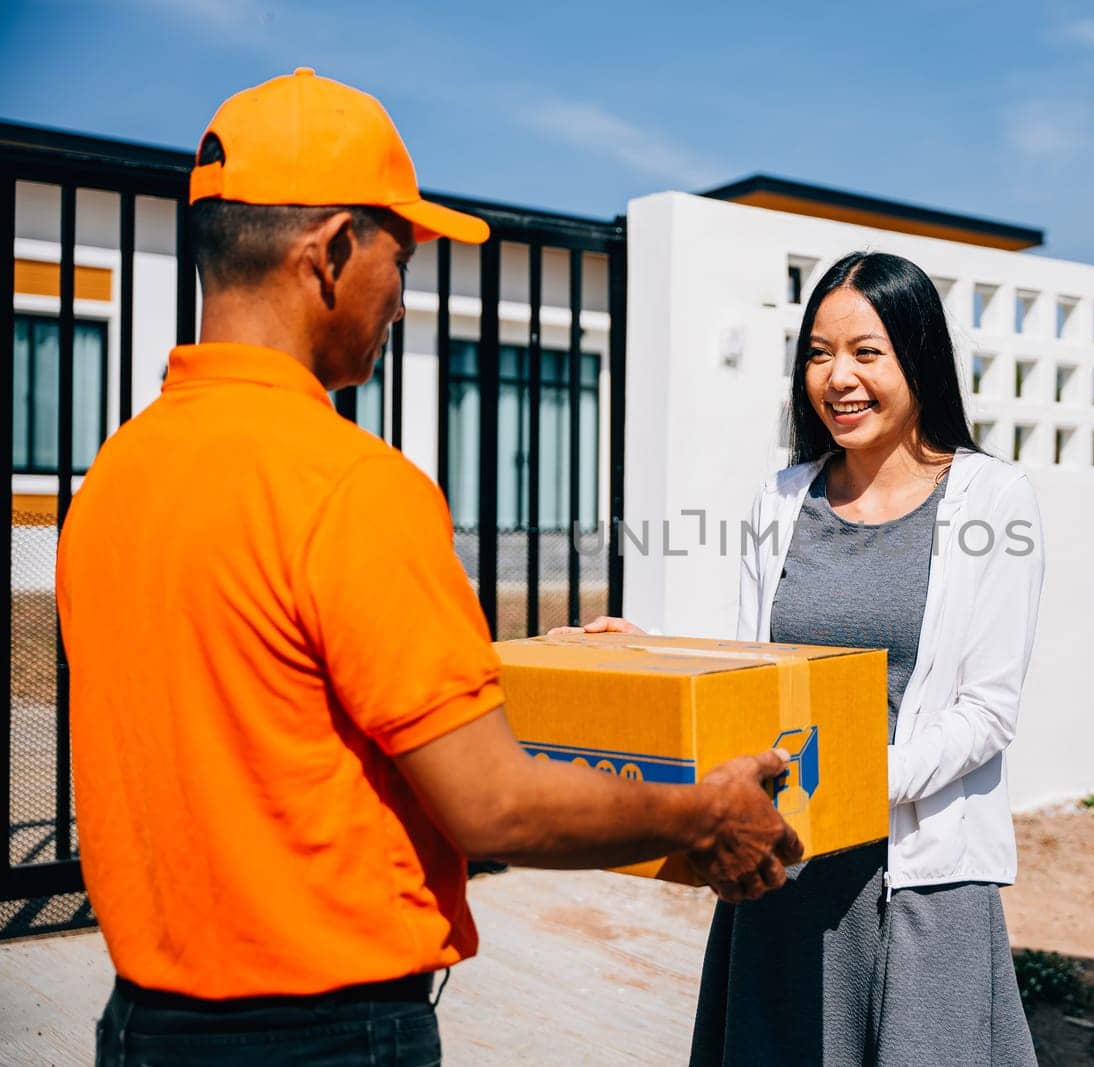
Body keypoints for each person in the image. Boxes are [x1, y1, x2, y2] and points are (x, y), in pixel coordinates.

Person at [56, 69, 801, 1067]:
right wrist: (704, 813)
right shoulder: (351, 484)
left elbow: (269, 704)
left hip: (144, 1024)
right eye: (400, 258)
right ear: (332, 252)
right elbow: (493, 802)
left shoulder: (116, 476)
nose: (402, 298)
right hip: (323, 1034)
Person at [561, 251, 1045, 1063]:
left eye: (866, 351)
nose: (838, 377)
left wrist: (856, 785)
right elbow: (755, 676)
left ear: (918, 355)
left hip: (922, 879)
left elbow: (986, 711)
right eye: (818, 354)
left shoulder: (993, 499)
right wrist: (651, 653)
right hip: (790, 866)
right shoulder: (781, 499)